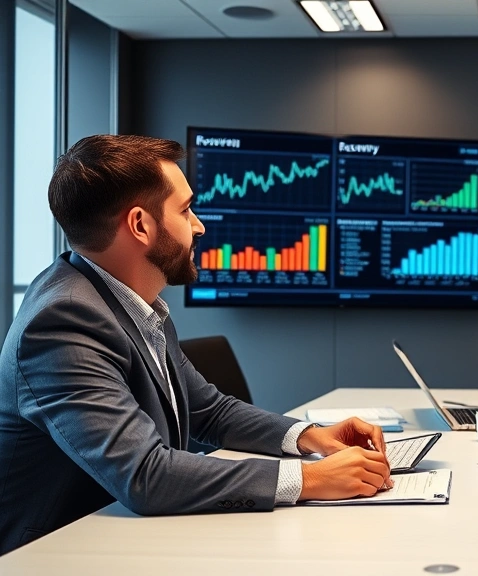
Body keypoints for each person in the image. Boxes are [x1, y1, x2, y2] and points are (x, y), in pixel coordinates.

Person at [0, 134, 393, 555]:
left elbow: (208, 409)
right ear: (140, 225)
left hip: (126, 538)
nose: (199, 225)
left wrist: (311, 437)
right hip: (59, 554)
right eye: (185, 210)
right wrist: (312, 479)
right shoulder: (62, 322)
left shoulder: (128, 300)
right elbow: (145, 476)